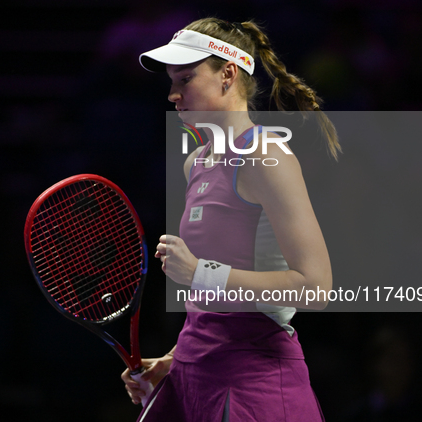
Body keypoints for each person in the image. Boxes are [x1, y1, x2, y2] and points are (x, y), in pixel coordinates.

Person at [122, 17, 341, 421]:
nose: (172, 94)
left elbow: (315, 288)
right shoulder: (196, 163)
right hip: (195, 375)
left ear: (227, 74)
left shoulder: (266, 156)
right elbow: (213, 303)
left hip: (255, 381)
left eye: (185, 79)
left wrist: (202, 272)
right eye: (171, 81)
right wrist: (173, 359)